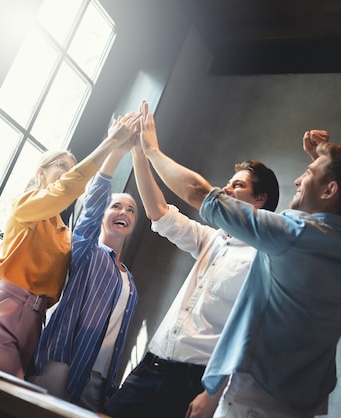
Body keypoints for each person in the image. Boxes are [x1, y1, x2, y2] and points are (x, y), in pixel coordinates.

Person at [136, 99, 341, 417]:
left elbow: (199, 192)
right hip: (300, 403)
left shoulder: (292, 235)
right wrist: (323, 158)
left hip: (253, 399)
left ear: (329, 190)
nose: (298, 180)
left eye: (307, 173)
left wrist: (151, 150)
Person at [104, 100, 280, 418]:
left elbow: (254, 333)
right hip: (153, 361)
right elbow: (158, 211)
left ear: (260, 200)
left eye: (237, 186)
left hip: (195, 381)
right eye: (227, 183)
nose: (226, 189)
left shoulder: (267, 258)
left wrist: (213, 394)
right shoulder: (210, 238)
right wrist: (138, 152)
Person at [0, 112, 140, 380]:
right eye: (62, 165)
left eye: (71, 167)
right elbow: (64, 190)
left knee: (3, 402)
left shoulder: (64, 233)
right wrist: (109, 144)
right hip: (4, 309)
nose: (68, 172)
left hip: (37, 321)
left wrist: (119, 151)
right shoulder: (25, 205)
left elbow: (88, 223)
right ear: (42, 173)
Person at [28, 136, 139, 412]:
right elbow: (91, 207)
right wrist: (116, 152)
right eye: (116, 206)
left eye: (130, 209)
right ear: (103, 215)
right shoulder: (86, 250)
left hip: (98, 384)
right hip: (62, 366)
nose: (123, 211)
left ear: (134, 223)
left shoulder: (130, 281)